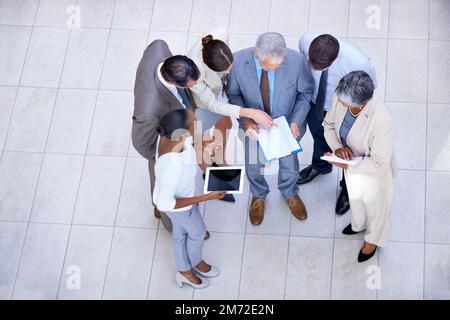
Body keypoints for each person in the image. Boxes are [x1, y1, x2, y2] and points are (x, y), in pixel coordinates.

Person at [227, 32, 314, 225]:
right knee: (253, 163)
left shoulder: (297, 61)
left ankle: (290, 192)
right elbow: (233, 95)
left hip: (287, 126)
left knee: (289, 162)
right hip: (253, 127)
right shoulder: (238, 62)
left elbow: (305, 94)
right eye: (269, 67)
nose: (273, 71)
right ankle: (258, 195)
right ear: (257, 54)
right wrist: (246, 121)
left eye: (279, 66)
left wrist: (295, 121)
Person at [187, 29, 275, 203]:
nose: (229, 72)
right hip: (201, 104)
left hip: (219, 94)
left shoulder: (219, 34)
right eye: (225, 71)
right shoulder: (195, 73)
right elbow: (212, 105)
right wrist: (250, 112)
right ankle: (208, 173)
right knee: (200, 142)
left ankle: (221, 162)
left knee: (226, 124)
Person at [297, 32, 378, 217]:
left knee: (348, 150)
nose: (312, 67)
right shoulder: (306, 40)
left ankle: (347, 188)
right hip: (316, 102)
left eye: (319, 66)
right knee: (319, 135)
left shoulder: (359, 63)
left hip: (344, 108)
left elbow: (368, 90)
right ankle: (321, 166)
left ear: (334, 59)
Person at [323, 71, 395, 262]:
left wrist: (345, 165)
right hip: (350, 163)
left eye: (347, 104)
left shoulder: (383, 119)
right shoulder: (341, 96)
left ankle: (373, 239)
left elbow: (380, 162)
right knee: (356, 200)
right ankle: (359, 224)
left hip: (373, 171)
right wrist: (338, 148)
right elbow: (328, 124)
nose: (340, 104)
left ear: (361, 103)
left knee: (376, 208)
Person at [153, 109, 225, 288]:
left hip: (183, 198)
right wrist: (206, 197)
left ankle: (184, 270)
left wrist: (203, 144)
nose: (198, 123)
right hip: (180, 208)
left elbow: (187, 145)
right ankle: (195, 263)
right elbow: (164, 204)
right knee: (197, 232)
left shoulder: (168, 137)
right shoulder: (173, 167)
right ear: (182, 133)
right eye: (194, 123)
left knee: (179, 233)